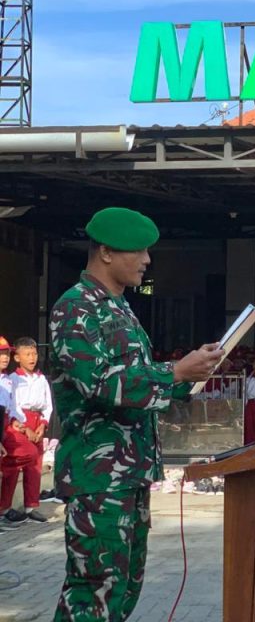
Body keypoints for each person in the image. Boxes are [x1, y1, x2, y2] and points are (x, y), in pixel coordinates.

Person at [48, 206, 223, 621]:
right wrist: (173, 372)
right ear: (106, 252)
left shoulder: (120, 307)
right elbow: (97, 383)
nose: (146, 260)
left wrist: (190, 373)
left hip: (129, 473)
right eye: (138, 251)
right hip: (97, 477)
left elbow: (137, 380)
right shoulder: (76, 308)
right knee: (93, 591)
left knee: (123, 588)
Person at [0, 338, 52, 525]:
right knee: (14, 466)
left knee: (35, 465)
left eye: (34, 354)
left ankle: (31, 506)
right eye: (27, 354)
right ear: (17, 357)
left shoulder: (41, 378)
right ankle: (4, 506)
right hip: (21, 420)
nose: (32, 358)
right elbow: (13, 405)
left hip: (38, 420)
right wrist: (24, 426)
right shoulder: (12, 379)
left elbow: (48, 404)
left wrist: (43, 423)